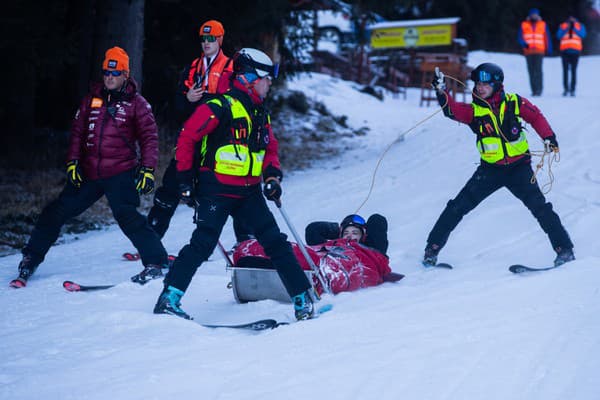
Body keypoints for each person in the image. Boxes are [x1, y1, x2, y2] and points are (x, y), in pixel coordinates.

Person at [153, 48, 316, 321]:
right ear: (251, 78)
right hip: (216, 189)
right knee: (202, 244)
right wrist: (184, 181)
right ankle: (169, 298)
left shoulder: (260, 113)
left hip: (249, 192)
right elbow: (187, 139)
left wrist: (272, 176)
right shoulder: (219, 106)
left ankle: (302, 299)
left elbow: (270, 148)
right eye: (267, 79)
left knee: (275, 243)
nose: (270, 84)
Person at [10, 47, 169, 288]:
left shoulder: (137, 103)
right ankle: (30, 258)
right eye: (106, 72)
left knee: (128, 217)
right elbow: (77, 133)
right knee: (55, 212)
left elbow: (149, 138)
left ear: (125, 74)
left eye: (115, 73)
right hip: (90, 172)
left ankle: (156, 262)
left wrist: (147, 169)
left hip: (120, 172)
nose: (109, 77)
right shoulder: (91, 99)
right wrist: (73, 162)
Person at [423, 63, 575, 268]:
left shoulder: (514, 102)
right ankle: (431, 250)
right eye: (477, 84)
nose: (480, 87)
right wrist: (441, 91)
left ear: (497, 85)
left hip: (519, 169)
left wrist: (548, 137)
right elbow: (452, 110)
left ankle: (564, 251)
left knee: (541, 209)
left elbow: (535, 116)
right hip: (489, 171)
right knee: (457, 207)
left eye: (485, 84)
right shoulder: (474, 111)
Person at [145, 20, 252, 247]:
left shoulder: (233, 67)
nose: (207, 43)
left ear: (220, 40)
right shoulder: (192, 68)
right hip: (192, 139)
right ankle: (149, 240)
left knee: (232, 187)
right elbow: (176, 107)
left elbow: (240, 102)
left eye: (211, 38)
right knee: (170, 187)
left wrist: (204, 101)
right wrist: (187, 99)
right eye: (203, 39)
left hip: (221, 142)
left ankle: (247, 241)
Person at [231, 213, 402, 297]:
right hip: (320, 257)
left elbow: (378, 221)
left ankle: (275, 264)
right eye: (346, 232)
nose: (350, 235)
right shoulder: (332, 243)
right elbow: (313, 230)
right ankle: (258, 259)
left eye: (355, 232)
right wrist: (338, 231)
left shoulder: (372, 253)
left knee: (302, 258)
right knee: (285, 248)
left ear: (364, 236)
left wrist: (359, 238)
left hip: (342, 267)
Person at [518, 8, 552, 96]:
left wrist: (549, 49)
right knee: (531, 71)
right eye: (532, 14)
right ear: (530, 15)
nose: (534, 16)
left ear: (538, 15)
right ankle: (534, 90)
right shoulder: (524, 24)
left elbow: (547, 37)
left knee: (538, 70)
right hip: (528, 51)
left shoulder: (543, 24)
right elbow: (520, 37)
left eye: (535, 14)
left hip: (539, 51)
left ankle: (539, 90)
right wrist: (523, 44)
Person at [557, 16, 587, 97]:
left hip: (575, 52)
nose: (571, 20)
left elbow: (583, 35)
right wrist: (567, 28)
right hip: (565, 51)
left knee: (574, 71)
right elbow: (559, 36)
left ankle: (573, 89)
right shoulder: (563, 26)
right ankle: (566, 89)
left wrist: (573, 28)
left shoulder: (580, 26)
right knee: (565, 71)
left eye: (573, 18)